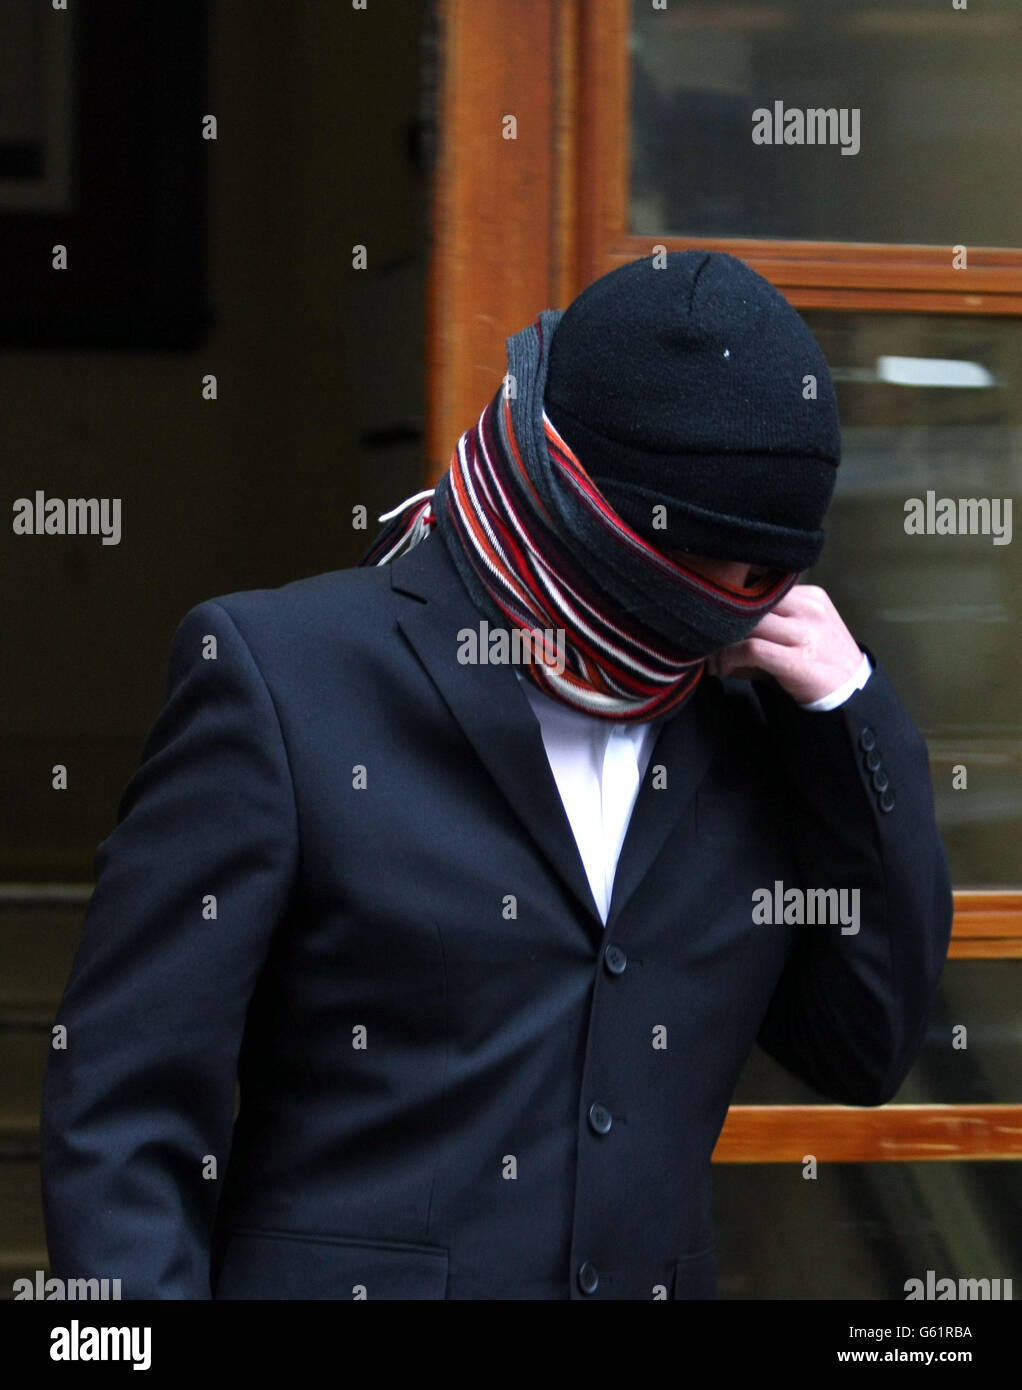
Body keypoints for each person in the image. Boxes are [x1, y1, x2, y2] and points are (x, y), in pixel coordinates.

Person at [40, 251, 954, 1300]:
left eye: (769, 571)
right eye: (712, 562)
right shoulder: (283, 679)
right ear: (590, 518)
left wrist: (851, 712)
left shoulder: (761, 725)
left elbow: (863, 1045)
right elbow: (123, 1105)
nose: (741, 597)